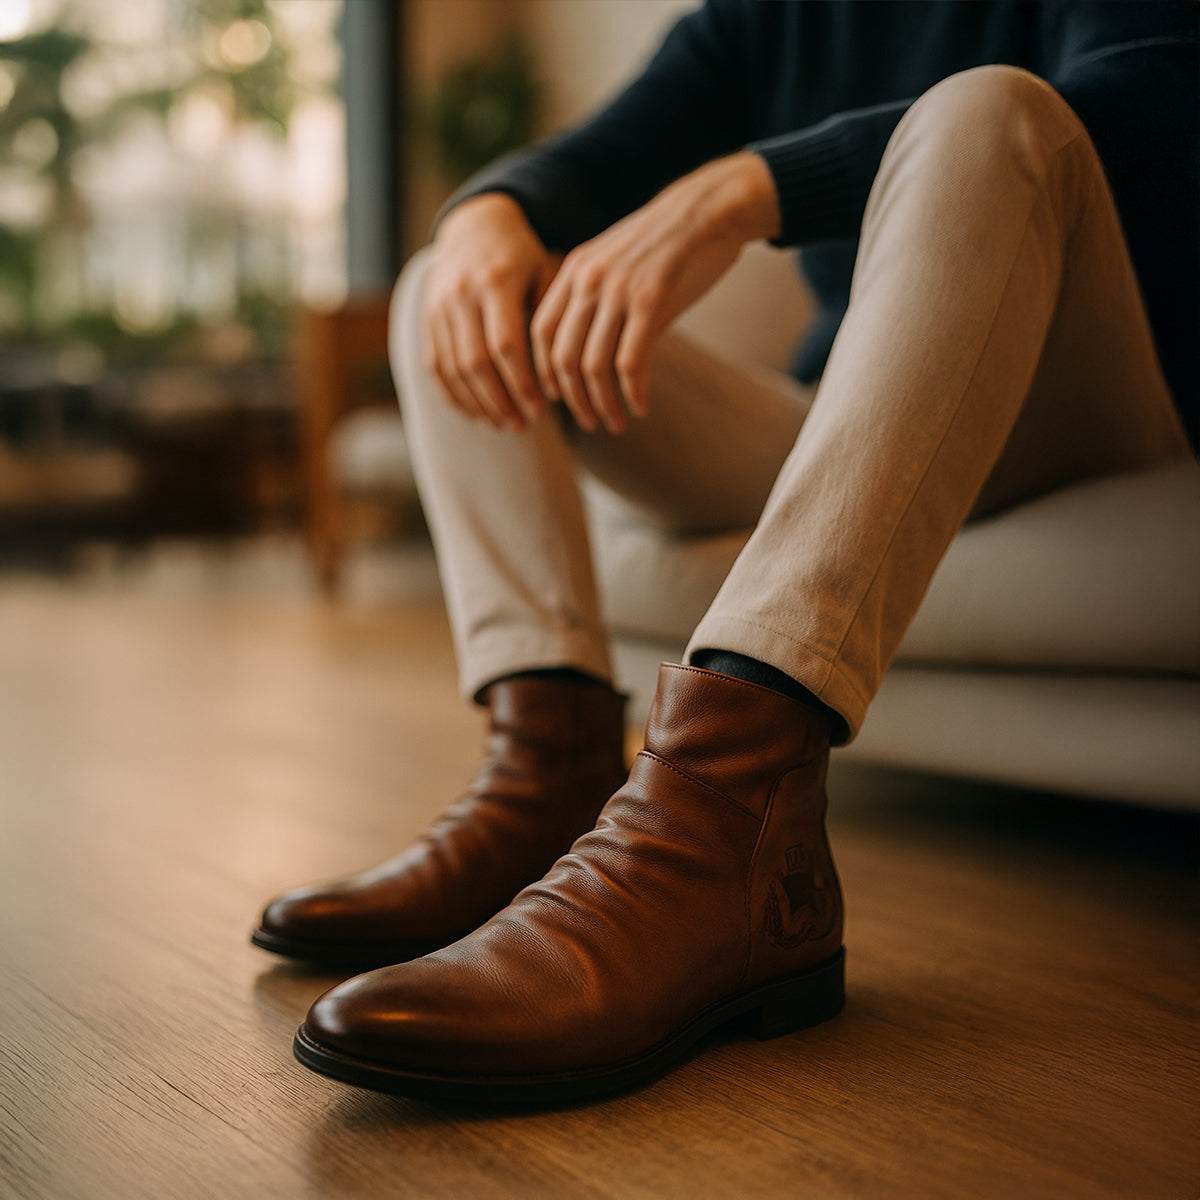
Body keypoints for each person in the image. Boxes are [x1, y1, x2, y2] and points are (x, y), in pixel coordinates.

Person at [255, 1, 1198, 1103]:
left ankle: (717, 824)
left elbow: (1155, 110)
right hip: (867, 417)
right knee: (451, 286)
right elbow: (584, 161)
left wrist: (745, 189)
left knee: (987, 113)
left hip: (1085, 404)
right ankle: (544, 778)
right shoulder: (764, 17)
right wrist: (486, 215)